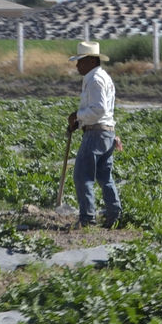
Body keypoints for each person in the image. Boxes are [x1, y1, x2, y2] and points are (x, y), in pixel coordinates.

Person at [67, 41, 123, 228]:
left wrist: (78, 116)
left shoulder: (95, 79)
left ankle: (87, 218)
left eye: (80, 61)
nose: (77, 65)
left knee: (83, 176)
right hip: (106, 132)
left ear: (91, 60)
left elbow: (99, 109)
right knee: (104, 176)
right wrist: (79, 122)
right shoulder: (100, 77)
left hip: (96, 133)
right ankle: (114, 214)